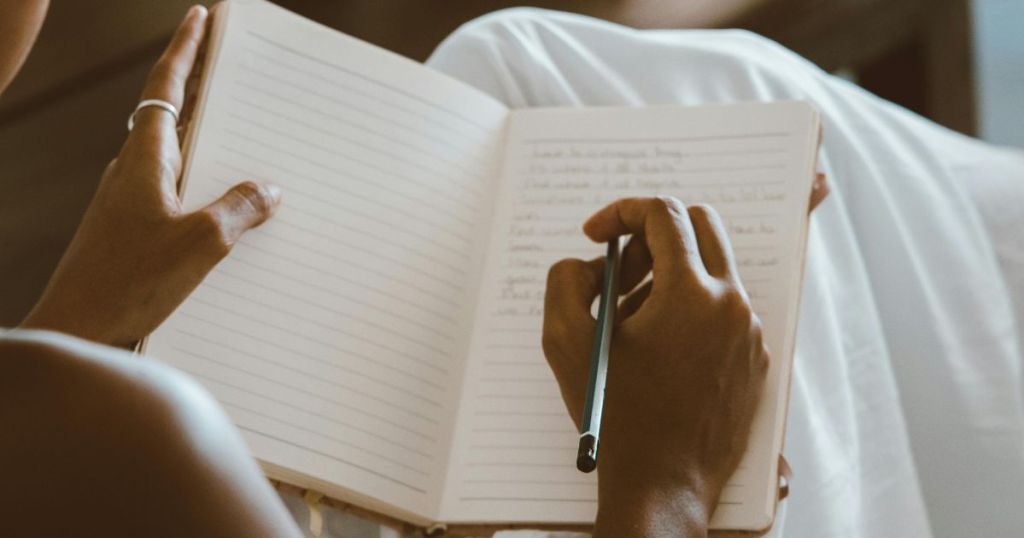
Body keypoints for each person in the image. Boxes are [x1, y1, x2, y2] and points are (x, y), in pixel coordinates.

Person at [0, 4, 791, 537]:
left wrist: (68, 324)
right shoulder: (136, 432)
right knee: (522, 57)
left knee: (510, 55)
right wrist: (671, 486)